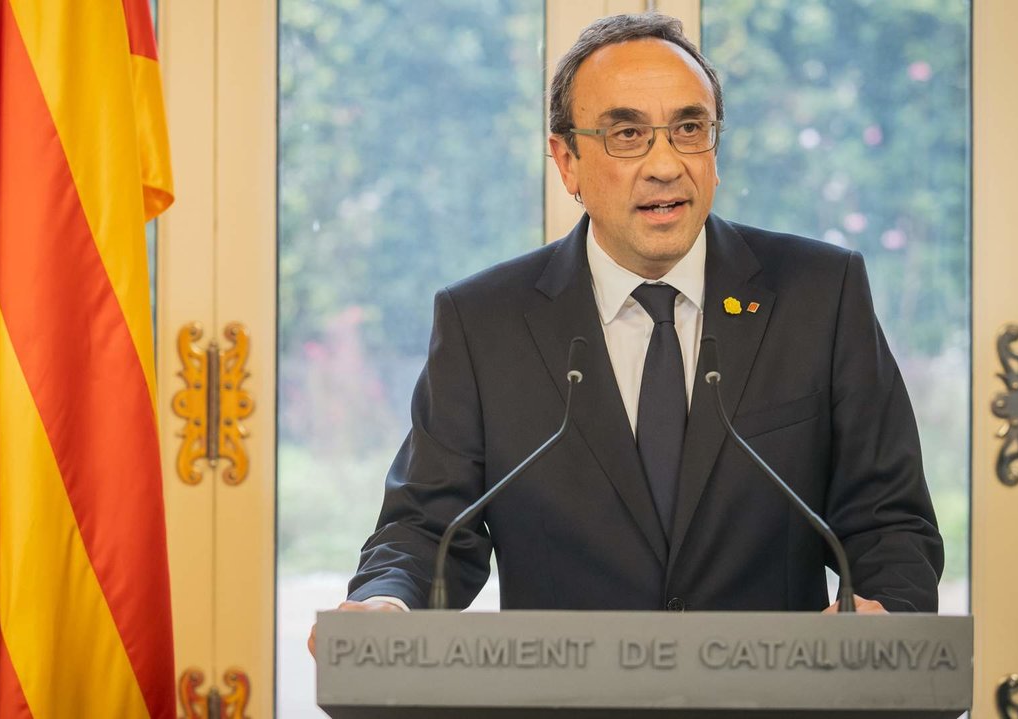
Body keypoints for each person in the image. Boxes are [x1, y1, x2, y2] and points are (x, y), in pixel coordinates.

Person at [310, 11, 943, 654]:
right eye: (626, 134)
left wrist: (886, 618)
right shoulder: (484, 324)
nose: (665, 165)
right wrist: (383, 602)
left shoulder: (819, 294)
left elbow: (889, 521)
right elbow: (426, 528)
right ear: (568, 162)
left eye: (689, 129)